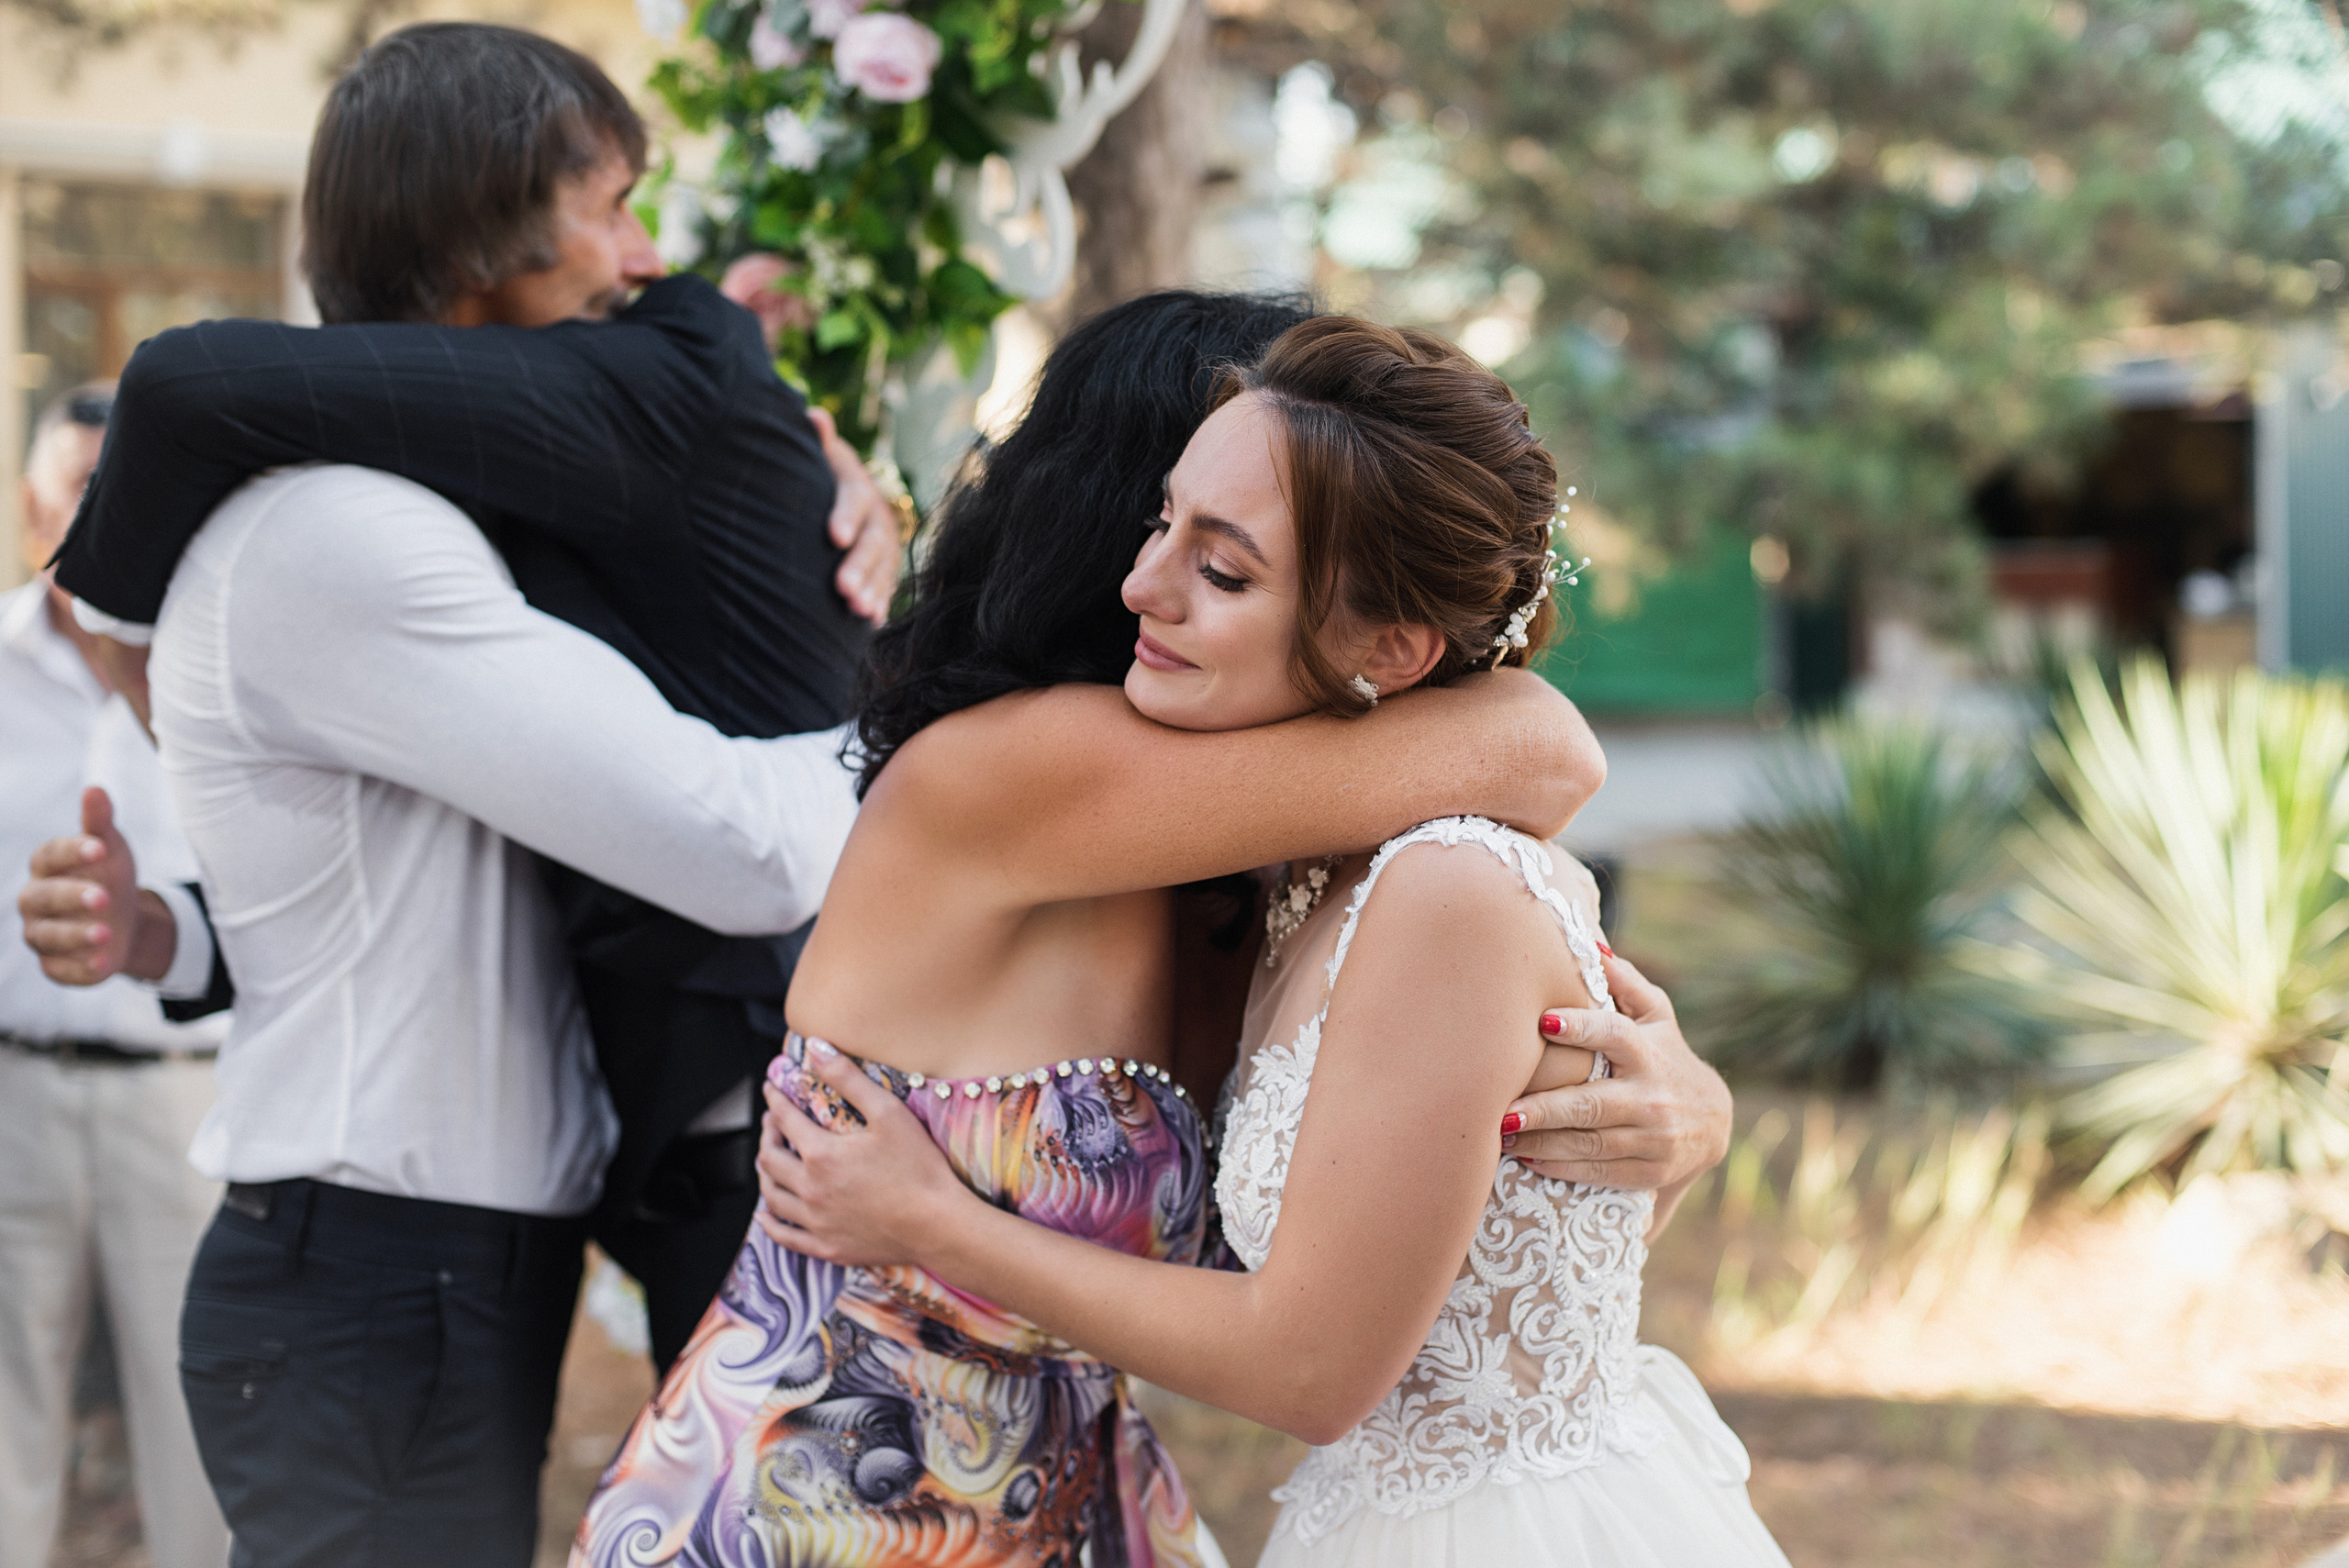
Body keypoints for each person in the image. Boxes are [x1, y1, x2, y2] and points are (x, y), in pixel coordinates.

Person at [568, 295, 1729, 1568]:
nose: (1149, 582)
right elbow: (1544, 746)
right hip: (817, 1499)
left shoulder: (1269, 870)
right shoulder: (1016, 772)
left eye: (1225, 562)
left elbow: (1406, 1266)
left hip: (1074, 1504)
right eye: (1162, 523)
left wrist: (1680, 1117)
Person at [15, 26, 900, 1564]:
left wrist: (844, 512)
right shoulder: (348, 535)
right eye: (610, 206)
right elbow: (737, 845)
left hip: (421, 1257)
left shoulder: (433, 510)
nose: (646, 255)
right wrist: (909, 729)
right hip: (381, 1264)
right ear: (481, 236)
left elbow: (409, 865)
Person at [0, 386, 229, 1568]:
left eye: (119, 486)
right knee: (6, 1412)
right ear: (30, 503)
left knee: (200, 1412)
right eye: (76, 486)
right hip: (14, 1093)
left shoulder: (221, 676)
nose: (97, 512)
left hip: (183, 1096)